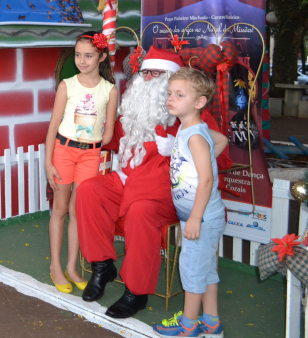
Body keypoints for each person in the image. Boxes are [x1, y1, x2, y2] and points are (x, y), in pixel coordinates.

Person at [76, 47, 229, 319]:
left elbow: (220, 153)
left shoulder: (191, 115)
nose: (148, 78)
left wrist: (177, 153)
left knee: (141, 211)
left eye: (156, 73)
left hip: (162, 193)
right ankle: (102, 266)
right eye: (145, 71)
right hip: (126, 181)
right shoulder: (133, 107)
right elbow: (111, 139)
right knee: (89, 191)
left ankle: (136, 291)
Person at [152, 69, 226, 337]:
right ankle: (212, 322)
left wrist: (194, 218)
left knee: (192, 271)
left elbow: (206, 181)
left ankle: (189, 326)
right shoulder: (191, 129)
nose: (171, 99)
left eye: (179, 95)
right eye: (170, 93)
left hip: (201, 218)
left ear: (199, 102)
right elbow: (222, 140)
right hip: (203, 216)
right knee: (206, 271)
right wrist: (204, 158)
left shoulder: (194, 136)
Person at [44, 32, 118, 293]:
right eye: (78, 55)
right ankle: (56, 266)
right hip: (63, 152)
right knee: (61, 209)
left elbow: (108, 131)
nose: (82, 60)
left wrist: (96, 138)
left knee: (78, 212)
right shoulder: (68, 85)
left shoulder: (109, 90)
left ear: (102, 57)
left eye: (88, 55)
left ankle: (72, 267)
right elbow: (53, 125)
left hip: (90, 155)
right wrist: (48, 162)